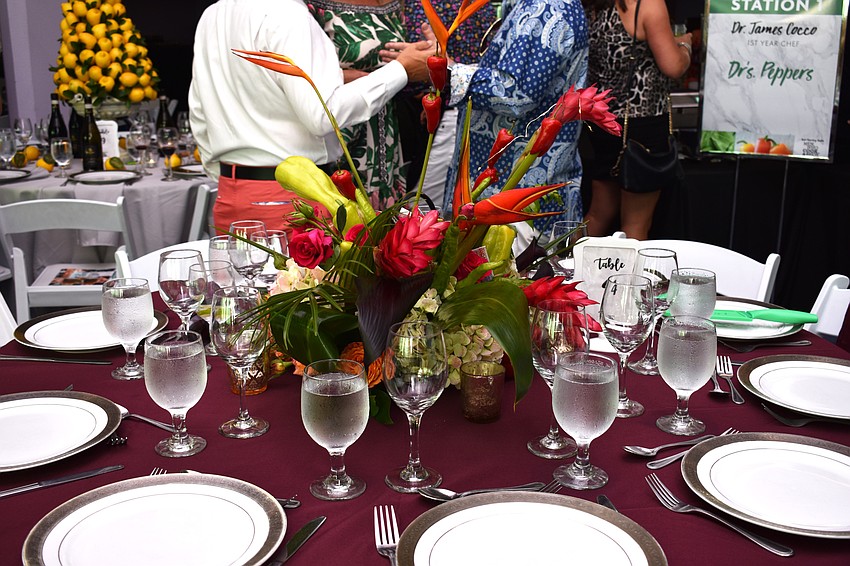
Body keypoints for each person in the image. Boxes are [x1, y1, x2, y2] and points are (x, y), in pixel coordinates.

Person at [189, 0, 431, 232]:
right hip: (293, 198)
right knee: (297, 277)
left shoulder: (213, 14)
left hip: (231, 194)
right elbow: (324, 114)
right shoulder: (289, 15)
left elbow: (199, 116)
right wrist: (401, 70)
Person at [393, 0, 590, 243]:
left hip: (519, 199)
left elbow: (518, 93)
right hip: (506, 187)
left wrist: (445, 72)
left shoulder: (548, 7)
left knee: (513, 275)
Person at [580, 0, 692, 240]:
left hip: (603, 121)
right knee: (636, 224)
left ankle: (565, 267)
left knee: (599, 212)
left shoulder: (595, 4)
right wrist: (685, 45)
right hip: (642, 126)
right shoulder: (647, 4)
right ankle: (628, 279)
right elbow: (673, 66)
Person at [396, 1, 497, 212]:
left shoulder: (472, 7)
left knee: (423, 201)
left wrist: (439, 83)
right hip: (407, 105)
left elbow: (483, 63)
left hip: (447, 109)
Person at [308, 0, 409, 210]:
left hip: (385, 131)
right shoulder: (311, 6)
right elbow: (299, 72)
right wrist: (352, 78)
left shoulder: (396, 3)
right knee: (342, 218)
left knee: (383, 226)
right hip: (341, 128)